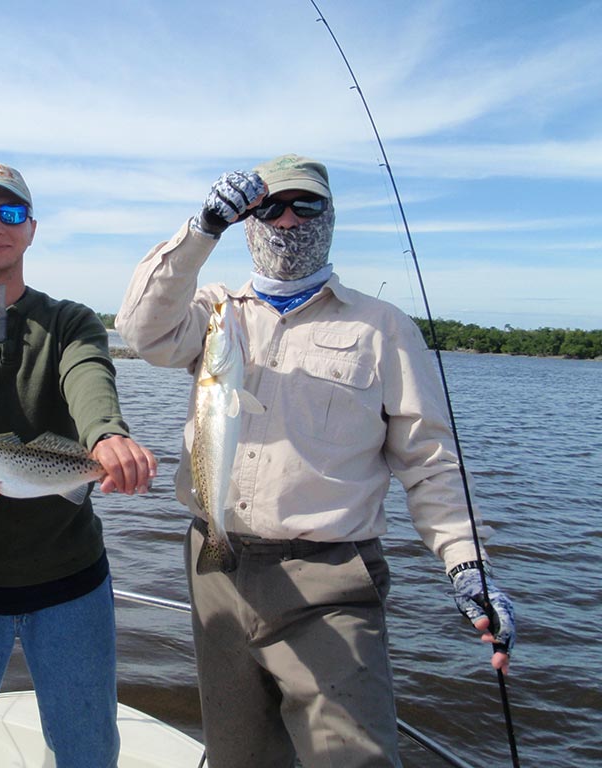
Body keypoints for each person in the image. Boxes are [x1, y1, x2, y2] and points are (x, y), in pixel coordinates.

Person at [115, 154, 516, 767]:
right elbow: (141, 332)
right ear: (247, 220)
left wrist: (467, 562)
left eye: (308, 206)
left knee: (355, 758)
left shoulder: (382, 327)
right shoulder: (217, 312)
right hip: (215, 570)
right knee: (239, 757)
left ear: (331, 217)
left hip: (329, 581)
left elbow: (430, 461)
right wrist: (202, 229)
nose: (288, 220)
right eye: (269, 206)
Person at [0, 162, 157, 767]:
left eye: (11, 212)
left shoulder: (70, 320)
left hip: (71, 581)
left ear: (32, 229)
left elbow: (88, 376)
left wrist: (106, 435)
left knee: (88, 750)